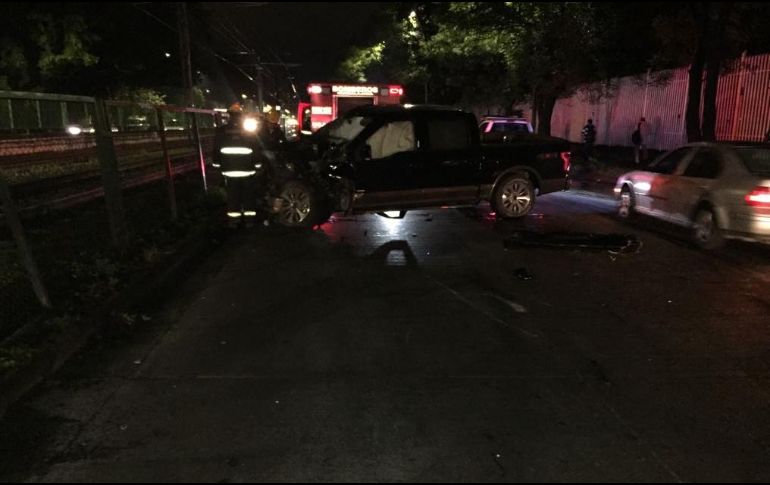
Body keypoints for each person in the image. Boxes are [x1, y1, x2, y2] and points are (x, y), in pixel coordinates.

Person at [213, 103, 262, 228]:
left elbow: (216, 150)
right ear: (241, 116)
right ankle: (249, 221)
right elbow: (256, 150)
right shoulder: (249, 131)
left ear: (229, 115)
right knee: (248, 195)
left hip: (229, 170)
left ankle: (234, 221)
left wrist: (217, 166)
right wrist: (257, 166)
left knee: (233, 196)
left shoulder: (221, 131)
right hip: (247, 170)